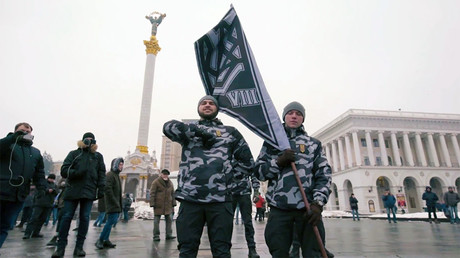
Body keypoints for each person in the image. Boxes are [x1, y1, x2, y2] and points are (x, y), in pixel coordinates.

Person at [163, 95, 254, 257]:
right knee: (186, 251)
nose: (207, 105)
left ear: (217, 109)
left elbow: (247, 162)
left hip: (220, 202)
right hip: (190, 200)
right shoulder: (188, 132)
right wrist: (198, 131)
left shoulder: (230, 132)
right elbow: (167, 127)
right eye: (203, 103)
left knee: (222, 251)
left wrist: (228, 179)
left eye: (211, 103)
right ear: (198, 108)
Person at [254, 101, 333, 257]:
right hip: (280, 210)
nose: (294, 116)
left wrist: (318, 203)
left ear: (303, 119)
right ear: (284, 117)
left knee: (314, 253)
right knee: (280, 252)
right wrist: (278, 162)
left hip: (308, 211)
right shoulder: (272, 143)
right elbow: (259, 173)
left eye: (298, 114)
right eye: (290, 113)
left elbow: (324, 174)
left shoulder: (313, 144)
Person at [52, 132, 106, 258]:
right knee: (66, 217)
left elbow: (101, 174)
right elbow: (64, 171)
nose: (89, 142)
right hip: (72, 190)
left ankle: (79, 247)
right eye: (86, 139)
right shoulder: (74, 154)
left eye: (91, 140)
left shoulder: (97, 156)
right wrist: (77, 172)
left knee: (85, 218)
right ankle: (60, 247)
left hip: (89, 191)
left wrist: (101, 188)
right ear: (82, 141)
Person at [0, 122, 46, 248]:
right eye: (21, 130)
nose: (25, 133)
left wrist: (41, 187)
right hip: (2, 190)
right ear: (15, 131)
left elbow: (39, 173)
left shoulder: (35, 152)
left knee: (5, 226)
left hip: (18, 195)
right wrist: (12, 138)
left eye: (28, 131)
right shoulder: (8, 145)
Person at [95, 157, 124, 249]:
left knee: (112, 221)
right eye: (120, 164)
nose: (121, 166)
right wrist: (115, 201)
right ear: (115, 165)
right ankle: (100, 240)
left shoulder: (116, 175)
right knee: (110, 221)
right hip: (112, 203)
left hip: (116, 203)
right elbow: (108, 189)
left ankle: (106, 240)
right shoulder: (110, 175)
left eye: (122, 164)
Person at [231, 170, 261, 258]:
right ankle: (225, 248)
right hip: (230, 193)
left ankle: (252, 249)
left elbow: (254, 174)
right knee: (226, 223)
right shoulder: (227, 156)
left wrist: (256, 192)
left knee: (248, 223)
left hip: (244, 193)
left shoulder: (246, 157)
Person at [23, 173, 57, 239]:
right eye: (51, 178)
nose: (52, 180)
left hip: (48, 204)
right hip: (39, 203)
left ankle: (36, 232)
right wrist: (47, 191)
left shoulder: (54, 185)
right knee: (34, 218)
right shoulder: (43, 184)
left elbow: (57, 192)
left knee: (42, 219)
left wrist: (53, 191)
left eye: (53, 179)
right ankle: (27, 233)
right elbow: (39, 191)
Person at [149, 169, 176, 241]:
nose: (165, 175)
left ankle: (168, 234)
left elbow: (173, 194)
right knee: (156, 221)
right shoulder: (156, 182)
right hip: (158, 205)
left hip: (168, 205)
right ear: (161, 174)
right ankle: (156, 236)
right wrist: (152, 203)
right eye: (164, 174)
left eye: (166, 174)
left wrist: (173, 203)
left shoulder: (170, 183)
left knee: (169, 220)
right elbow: (152, 193)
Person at [47, 178, 66, 246]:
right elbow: (59, 186)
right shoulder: (64, 180)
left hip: (65, 203)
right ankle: (58, 237)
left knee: (63, 221)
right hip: (61, 204)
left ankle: (59, 238)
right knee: (60, 220)